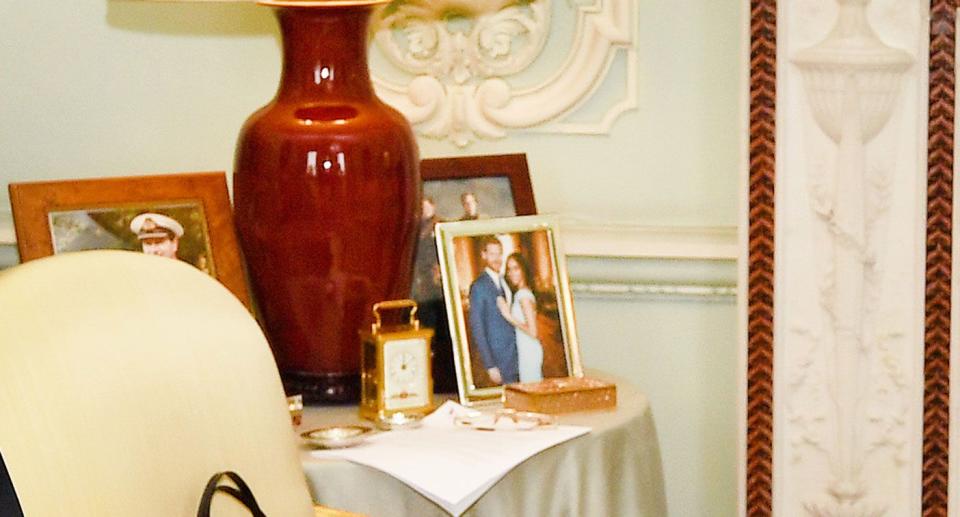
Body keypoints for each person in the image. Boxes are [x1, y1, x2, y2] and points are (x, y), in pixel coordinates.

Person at [468, 236, 518, 385]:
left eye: (499, 254)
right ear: (484, 255)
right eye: (492, 254)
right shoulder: (479, 286)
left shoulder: (505, 280)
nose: (497, 259)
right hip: (498, 357)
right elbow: (477, 328)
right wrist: (490, 365)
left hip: (515, 352)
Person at [497, 252, 543, 382]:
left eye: (516, 268)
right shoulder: (520, 293)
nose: (511, 273)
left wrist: (508, 316)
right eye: (509, 269)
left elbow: (533, 332)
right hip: (525, 348)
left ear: (523, 270)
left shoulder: (523, 296)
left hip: (529, 350)